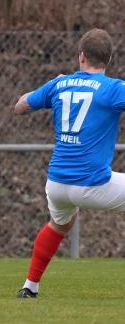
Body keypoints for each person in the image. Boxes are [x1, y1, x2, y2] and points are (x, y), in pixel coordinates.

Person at [14, 28, 124, 298]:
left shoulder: (58, 84)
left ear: (81, 56)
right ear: (108, 59)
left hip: (57, 184)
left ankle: (30, 287)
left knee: (59, 225)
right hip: (93, 184)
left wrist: (54, 86)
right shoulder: (113, 88)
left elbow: (20, 106)